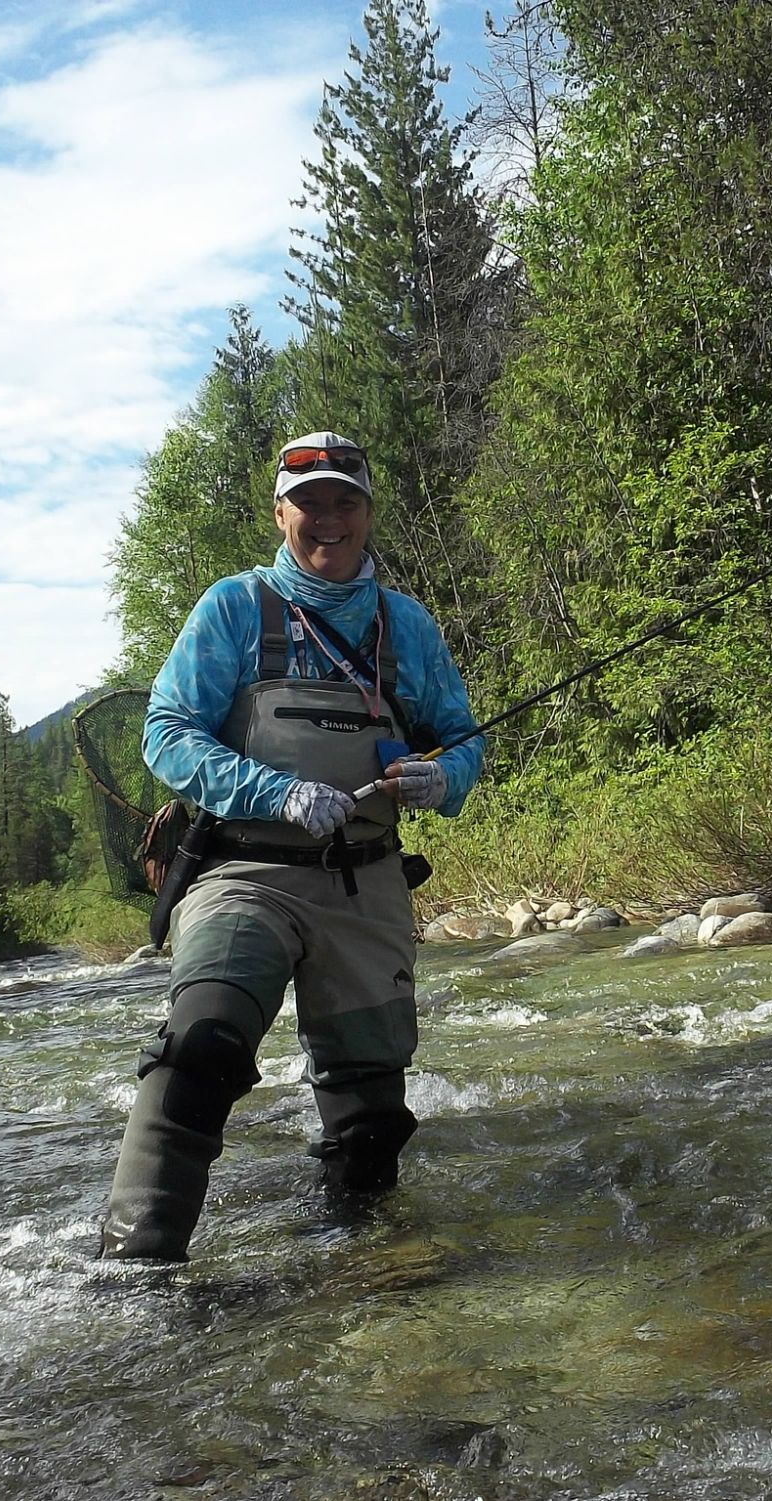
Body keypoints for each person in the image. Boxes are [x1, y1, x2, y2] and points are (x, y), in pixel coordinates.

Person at [99, 431, 484, 1261]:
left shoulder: (407, 626)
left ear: (369, 511)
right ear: (281, 513)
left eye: (346, 500)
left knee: (372, 1123)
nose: (329, 518)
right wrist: (275, 791)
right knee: (199, 1046)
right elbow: (165, 734)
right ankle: (134, 1267)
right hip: (245, 873)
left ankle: (361, 1271)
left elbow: (462, 741)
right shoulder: (233, 608)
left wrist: (441, 778)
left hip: (368, 884)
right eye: (310, 502)